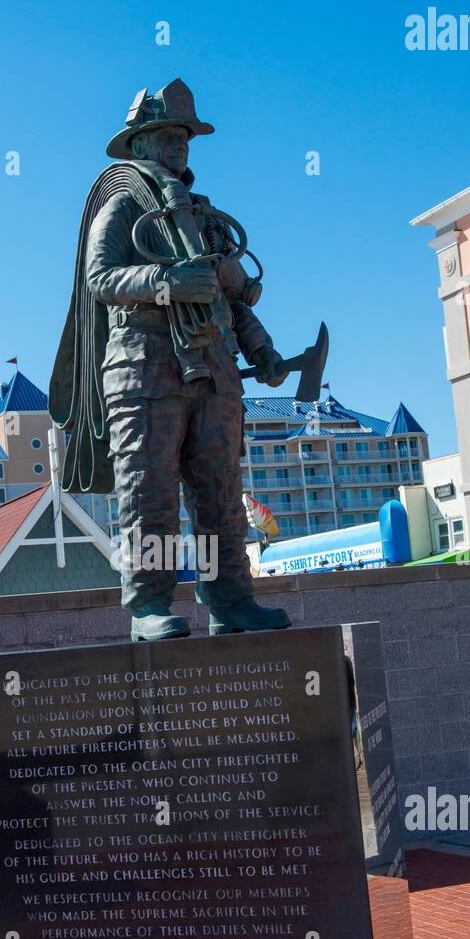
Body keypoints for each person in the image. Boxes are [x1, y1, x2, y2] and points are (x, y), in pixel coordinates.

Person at [49, 79, 299, 642]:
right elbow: (100, 278)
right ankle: (149, 608)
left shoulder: (205, 219)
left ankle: (231, 601)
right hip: (143, 370)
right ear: (138, 145)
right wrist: (166, 283)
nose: (177, 144)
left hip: (214, 370)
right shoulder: (121, 204)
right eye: (165, 134)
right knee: (149, 493)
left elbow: (227, 296)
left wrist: (262, 350)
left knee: (218, 495)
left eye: (184, 135)